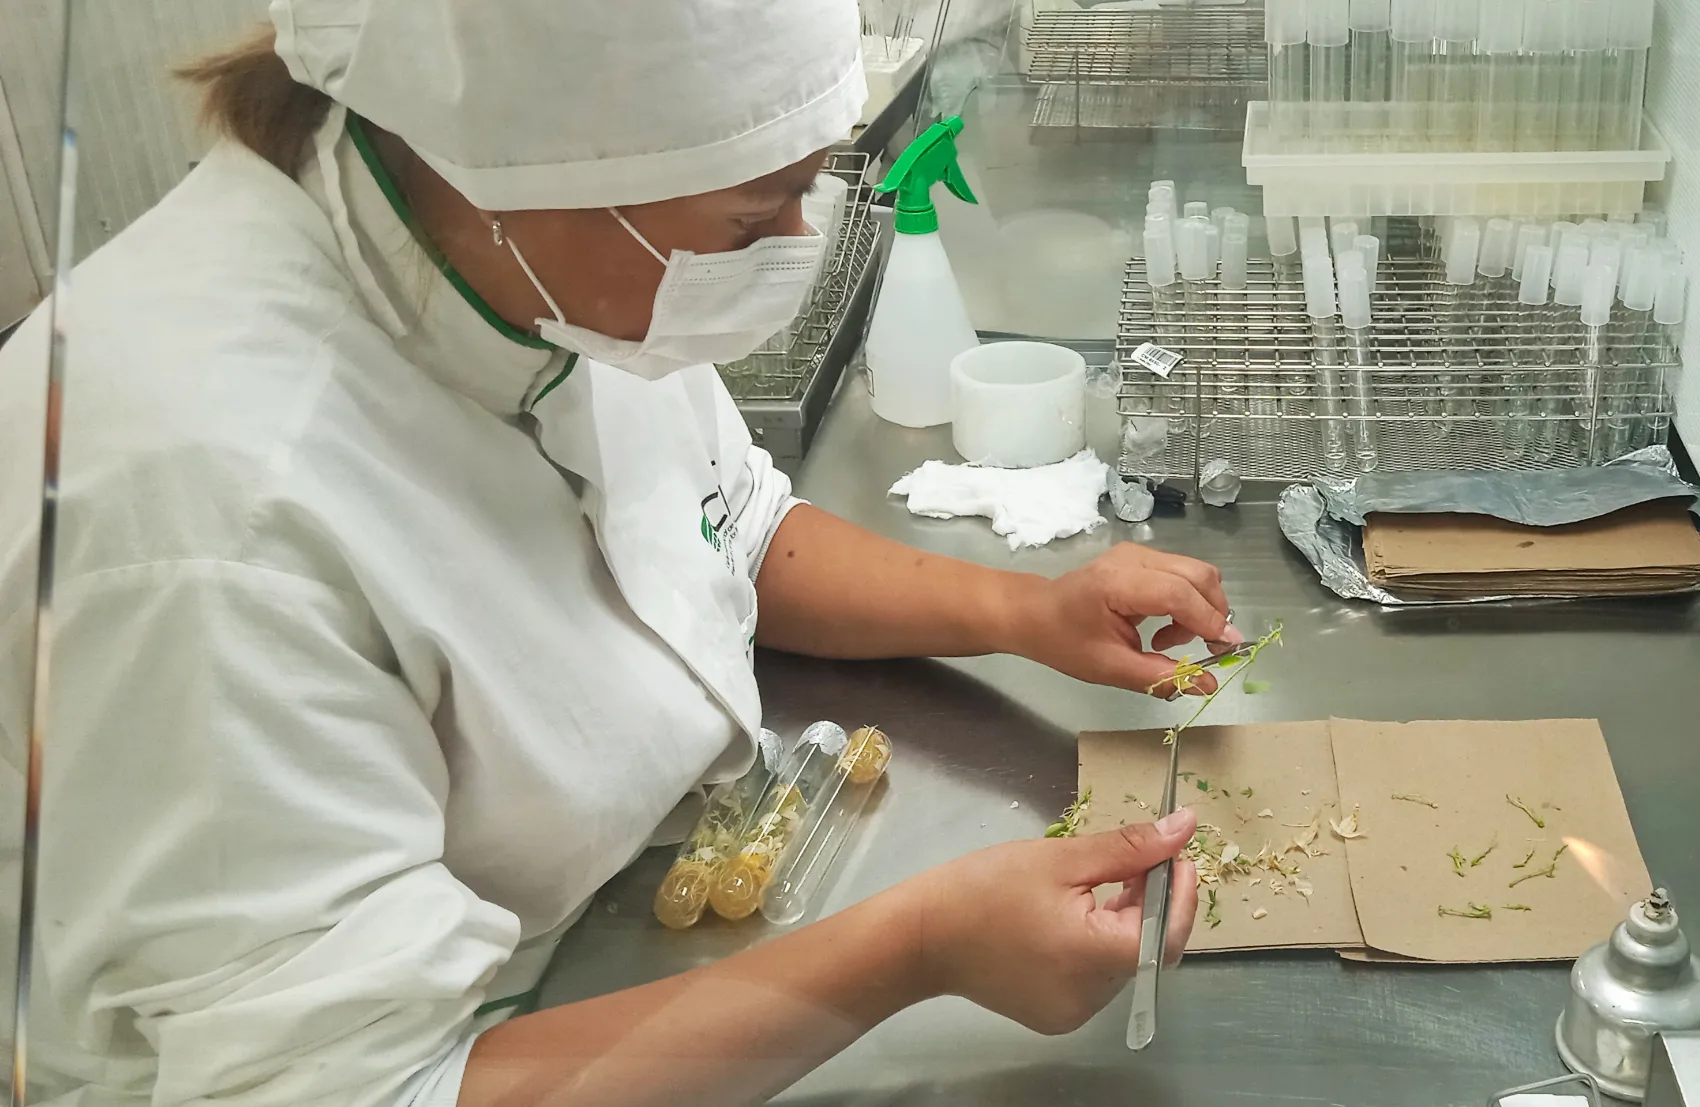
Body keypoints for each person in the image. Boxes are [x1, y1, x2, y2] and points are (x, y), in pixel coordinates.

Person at [0, 2, 1214, 1103]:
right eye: (749, 218)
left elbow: (724, 527)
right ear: (523, 178)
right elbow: (363, 1090)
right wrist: (918, 946)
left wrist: (1024, 612)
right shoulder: (207, 521)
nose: (786, 248)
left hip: (585, 944)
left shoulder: (545, 269)